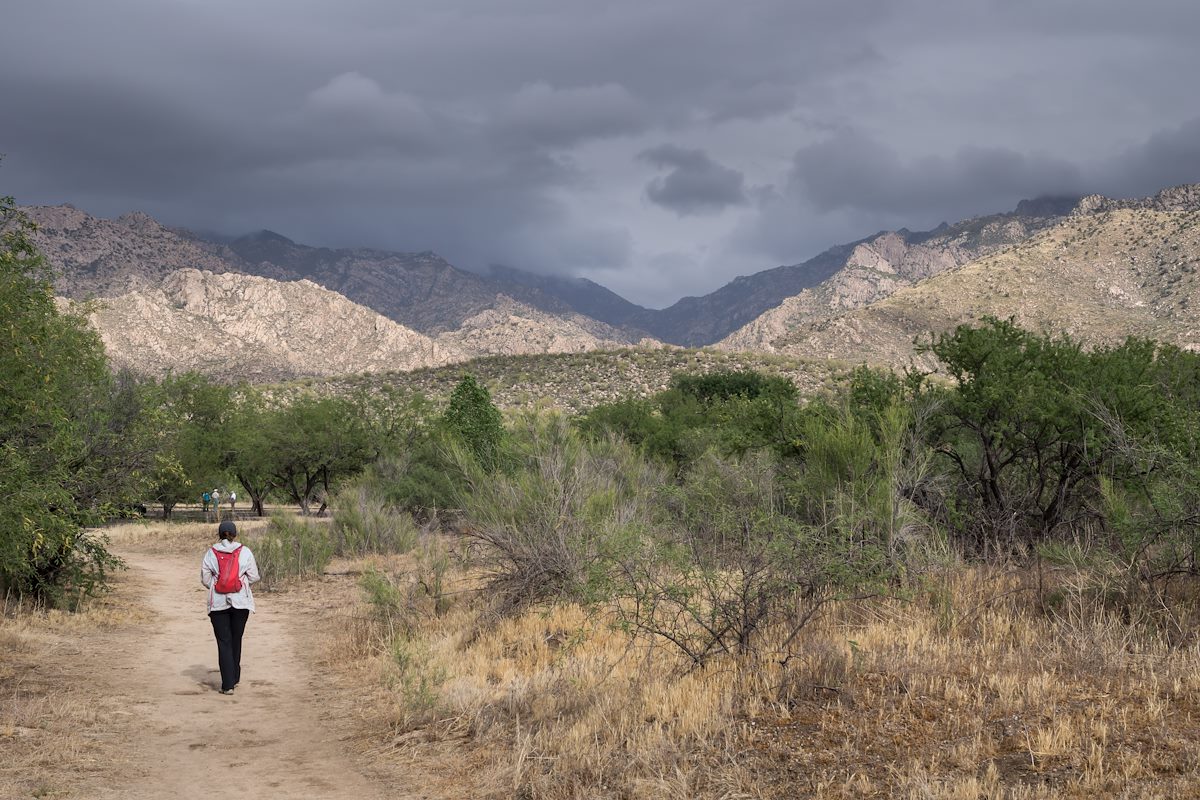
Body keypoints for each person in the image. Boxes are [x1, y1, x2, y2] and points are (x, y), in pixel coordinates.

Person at [200, 520, 260, 695]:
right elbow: (254, 576)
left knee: (224, 642)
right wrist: (240, 584)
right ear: (235, 534)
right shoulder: (245, 551)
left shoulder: (211, 553)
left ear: (220, 534)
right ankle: (234, 676)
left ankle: (228, 685)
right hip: (241, 602)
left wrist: (217, 585)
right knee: (236, 639)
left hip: (218, 604)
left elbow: (205, 579)